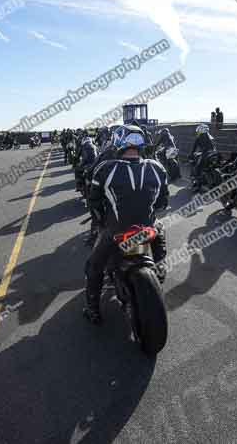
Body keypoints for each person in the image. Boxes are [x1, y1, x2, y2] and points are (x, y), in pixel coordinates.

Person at [83, 124, 169, 324]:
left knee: (93, 267)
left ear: (118, 142)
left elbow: (94, 203)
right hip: (147, 229)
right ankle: (160, 268)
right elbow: (162, 203)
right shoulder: (157, 167)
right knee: (160, 230)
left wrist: (101, 222)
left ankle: (93, 310)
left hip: (116, 231)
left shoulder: (105, 168)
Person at [191, 124, 216, 190]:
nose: (198, 132)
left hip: (206, 155)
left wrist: (191, 155)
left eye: (198, 131)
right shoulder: (211, 137)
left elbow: (194, 148)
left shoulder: (199, 137)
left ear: (201, 130)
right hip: (214, 153)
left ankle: (197, 185)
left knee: (198, 168)